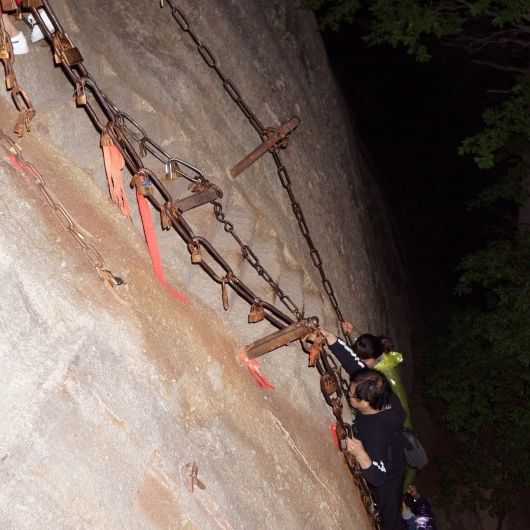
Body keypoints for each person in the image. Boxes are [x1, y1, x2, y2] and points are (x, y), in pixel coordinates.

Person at [320, 327, 406, 530]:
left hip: (390, 474)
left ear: (366, 402)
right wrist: (332, 339)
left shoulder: (377, 434)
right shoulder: (379, 390)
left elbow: (378, 476)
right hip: (391, 448)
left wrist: (361, 454)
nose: (348, 394)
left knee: (390, 515)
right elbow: (355, 365)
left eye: (351, 395)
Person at [343, 321, 417, 490]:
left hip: (400, 425)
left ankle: (403, 491)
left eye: (363, 359)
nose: (359, 362)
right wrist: (354, 333)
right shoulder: (379, 357)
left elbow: (398, 407)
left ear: (373, 359)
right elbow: (370, 348)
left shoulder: (386, 378)